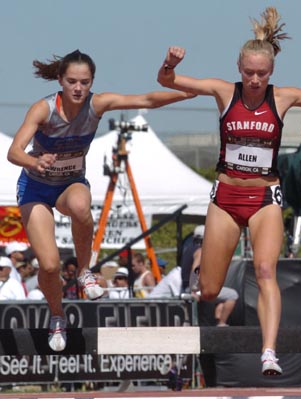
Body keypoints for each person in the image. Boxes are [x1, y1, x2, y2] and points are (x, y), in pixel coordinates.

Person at [157, 8, 301, 375]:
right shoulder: (224, 92)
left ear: (271, 73)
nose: (254, 80)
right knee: (208, 288)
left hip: (266, 197)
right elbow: (169, 81)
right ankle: (213, 315)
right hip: (226, 197)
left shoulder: (281, 97)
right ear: (239, 67)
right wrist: (169, 65)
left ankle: (269, 350)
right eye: (249, 72)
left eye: (261, 74)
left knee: (266, 270)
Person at [6, 49, 195, 352]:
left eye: (85, 82)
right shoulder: (43, 110)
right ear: (60, 81)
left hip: (70, 184)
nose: (78, 89)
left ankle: (85, 272)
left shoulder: (98, 104)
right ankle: (57, 315)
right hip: (36, 188)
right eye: (72, 82)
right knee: (51, 265)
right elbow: (13, 151)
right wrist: (32, 161)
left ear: (92, 82)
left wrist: (188, 94)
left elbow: (146, 100)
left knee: (81, 206)